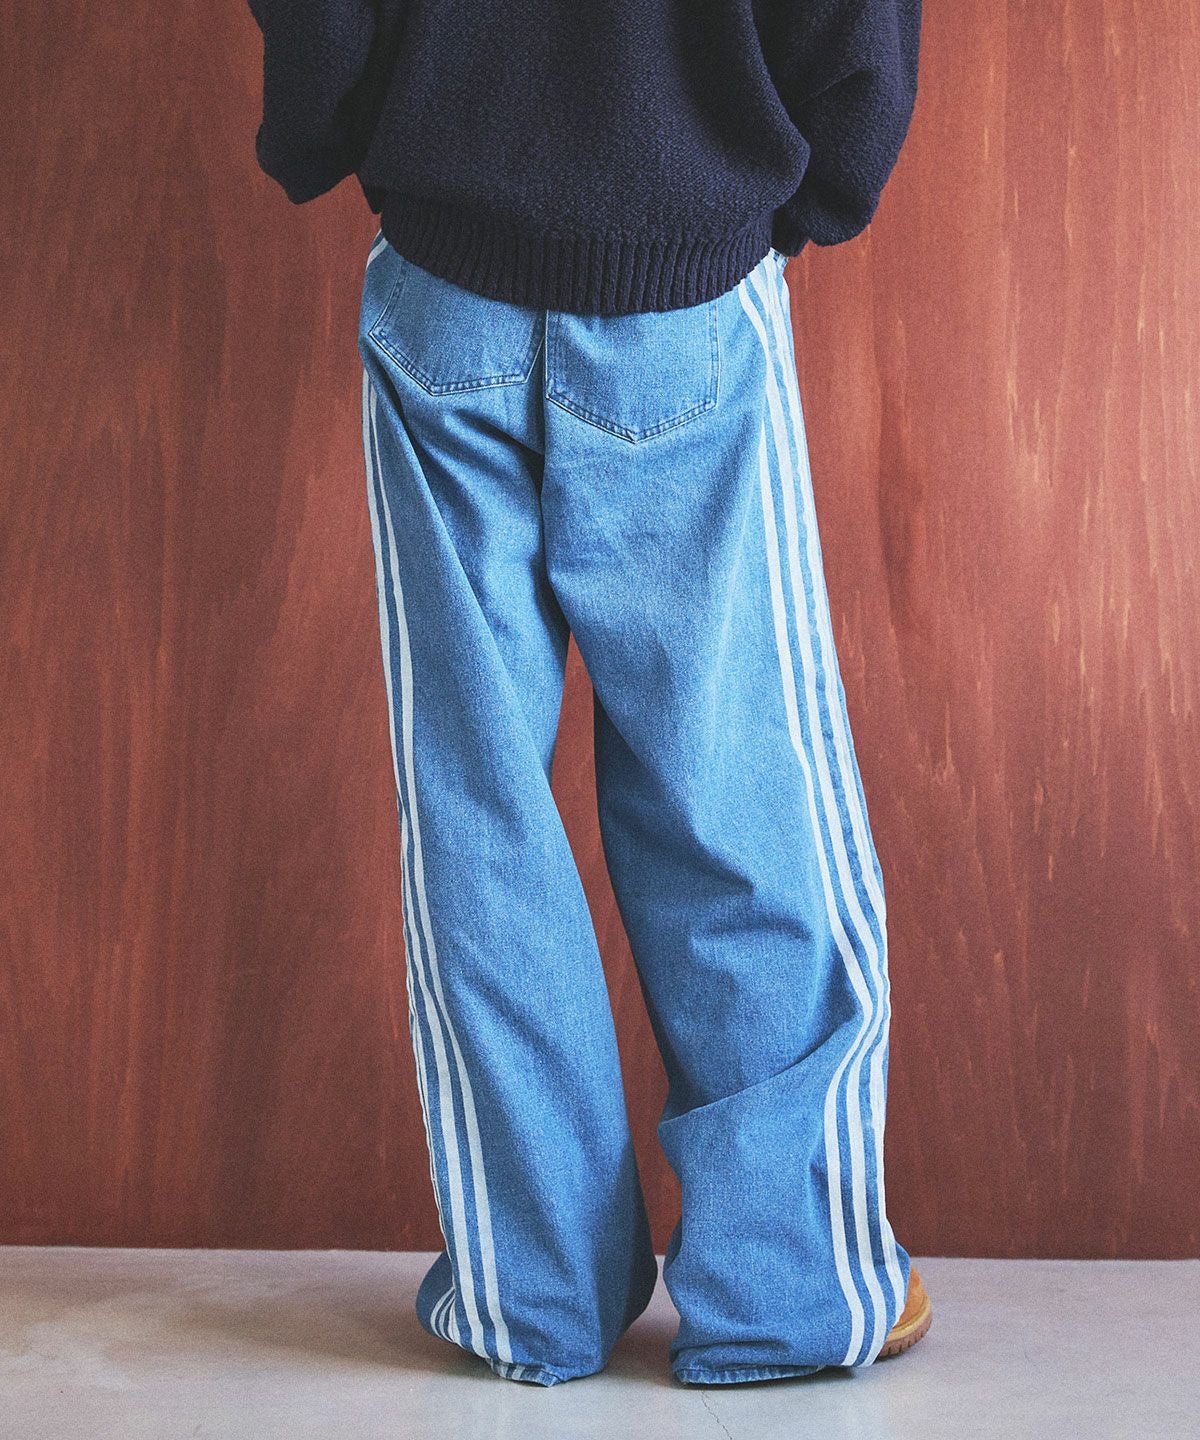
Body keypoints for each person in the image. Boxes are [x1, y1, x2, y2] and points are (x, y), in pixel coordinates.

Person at [246, 0, 929, 1389]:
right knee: (735, 794)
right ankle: (790, 1287)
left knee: (477, 811)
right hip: (687, 268)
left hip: (445, 274)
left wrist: (339, 122)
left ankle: (532, 1295)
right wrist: (820, 174)